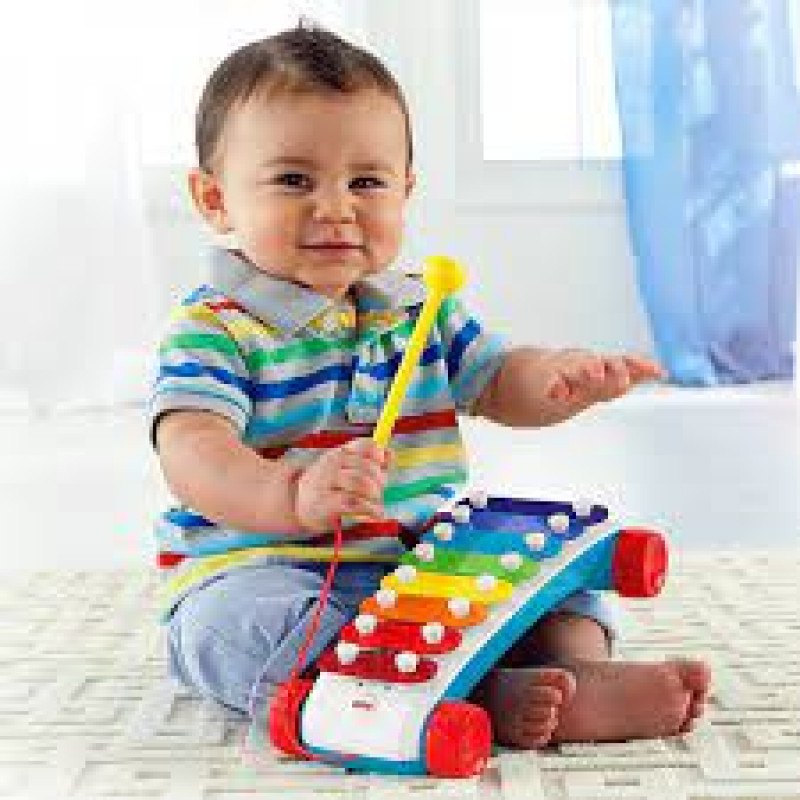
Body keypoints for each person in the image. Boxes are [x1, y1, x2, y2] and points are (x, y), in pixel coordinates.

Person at [151, 21, 710, 750]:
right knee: (235, 632)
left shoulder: (420, 308)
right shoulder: (215, 328)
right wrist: (289, 495)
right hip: (267, 569)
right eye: (294, 180)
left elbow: (498, 380)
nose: (336, 207)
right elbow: (192, 450)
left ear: (405, 191)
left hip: (418, 565)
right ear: (215, 199)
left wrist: (555, 377)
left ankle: (576, 675)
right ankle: (475, 695)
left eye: (366, 182)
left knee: (556, 586)